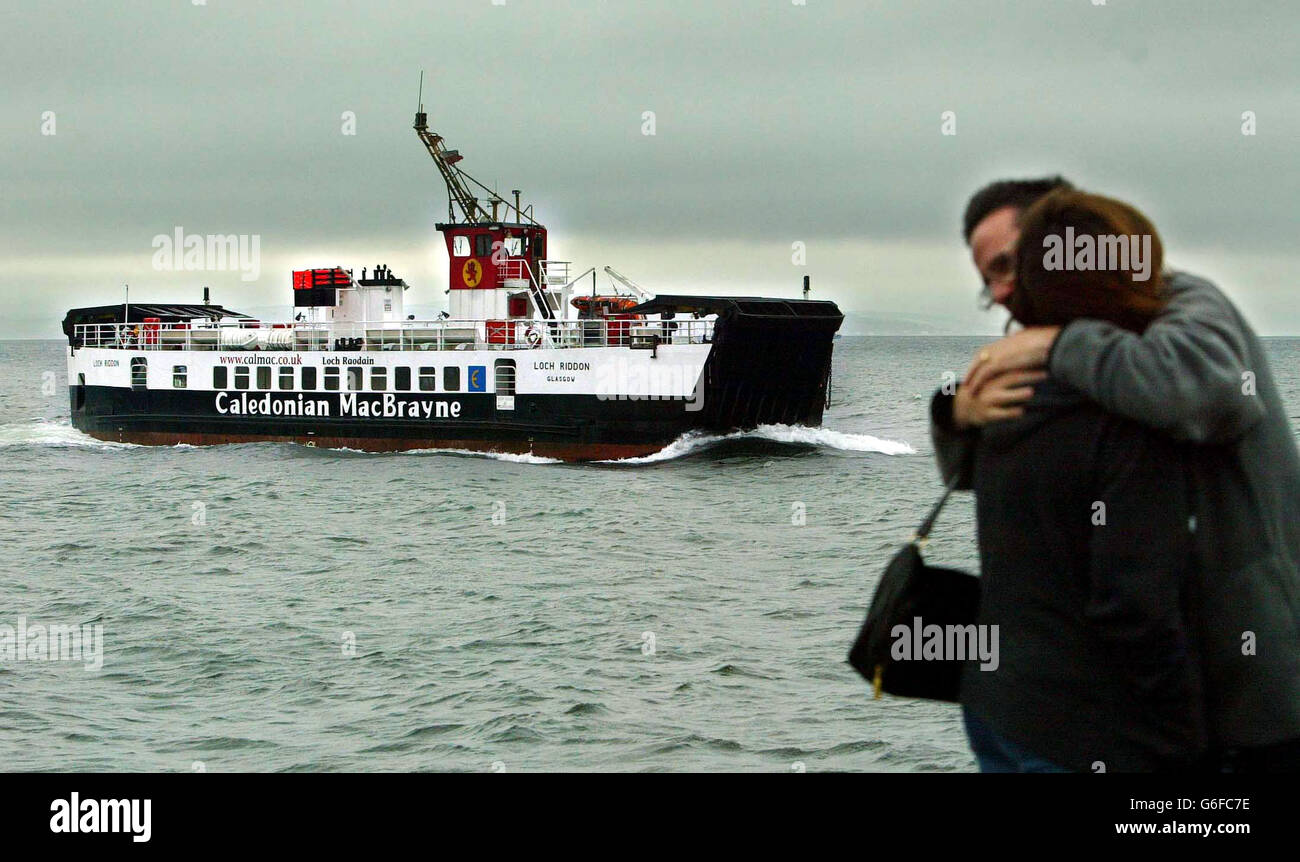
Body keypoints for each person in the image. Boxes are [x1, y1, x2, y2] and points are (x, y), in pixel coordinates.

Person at [932, 178, 1300, 771]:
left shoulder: (1185, 302)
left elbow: (1203, 393)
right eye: (989, 281)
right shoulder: (1056, 352)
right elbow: (981, 473)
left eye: (1009, 265)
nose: (1003, 292)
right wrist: (953, 411)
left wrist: (1062, 343)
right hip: (1101, 706)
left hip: (1248, 676)